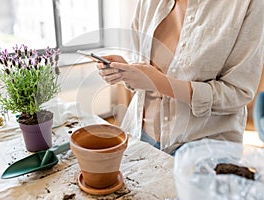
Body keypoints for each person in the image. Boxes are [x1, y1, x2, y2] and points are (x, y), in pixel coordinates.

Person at [97, 0, 264, 155]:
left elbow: (239, 93)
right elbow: (138, 58)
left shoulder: (247, 4)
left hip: (203, 151)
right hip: (139, 135)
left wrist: (161, 83)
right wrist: (125, 71)